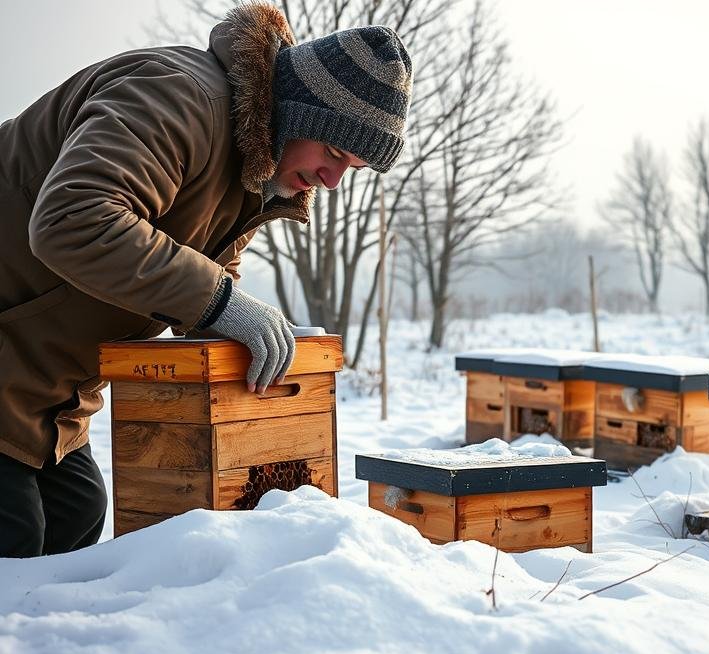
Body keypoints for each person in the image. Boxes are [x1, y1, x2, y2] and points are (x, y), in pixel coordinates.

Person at [0, 2, 412, 557]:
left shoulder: (252, 169)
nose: (333, 180)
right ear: (295, 112)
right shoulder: (178, 98)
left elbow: (206, 275)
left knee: (76, 516)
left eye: (352, 168)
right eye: (333, 152)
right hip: (13, 361)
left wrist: (239, 332)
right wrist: (221, 304)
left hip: (44, 391)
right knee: (16, 542)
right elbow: (72, 220)